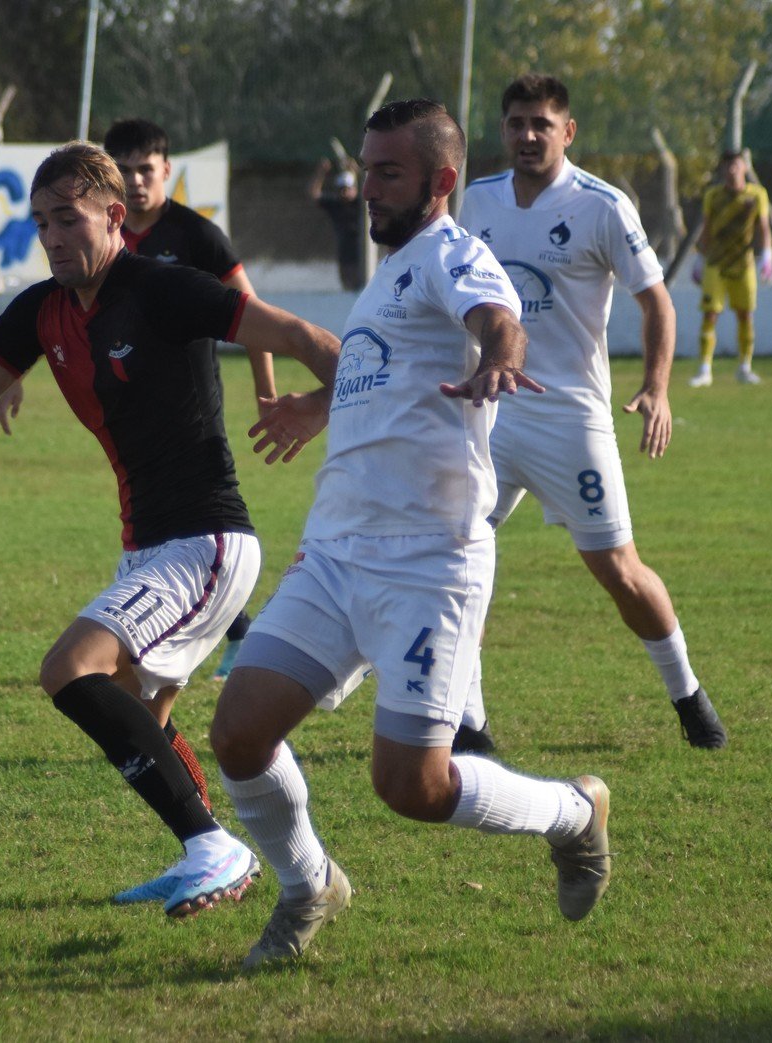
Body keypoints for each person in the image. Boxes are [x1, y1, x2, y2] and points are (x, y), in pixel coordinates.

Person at [0, 142, 342, 919]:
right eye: (40, 222)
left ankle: (211, 848)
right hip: (147, 549)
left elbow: (299, 334)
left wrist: (319, 406)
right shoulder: (41, 308)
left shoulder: (159, 288)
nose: (52, 237)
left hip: (206, 543)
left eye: (68, 218)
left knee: (69, 667)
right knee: (143, 727)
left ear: (114, 216)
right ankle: (246, 856)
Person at [209, 99, 610, 970]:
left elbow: (494, 317)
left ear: (439, 182)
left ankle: (573, 812)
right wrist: (318, 406)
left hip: (427, 564)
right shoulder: (386, 276)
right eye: (362, 168)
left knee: (411, 787)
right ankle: (306, 884)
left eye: (384, 172)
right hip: (335, 554)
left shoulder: (451, 254)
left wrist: (501, 354)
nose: (363, 187)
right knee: (239, 731)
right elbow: (382, 370)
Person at [456, 74, 727, 754]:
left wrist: (657, 388)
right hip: (491, 412)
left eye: (540, 124)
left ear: (566, 131)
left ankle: (687, 695)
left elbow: (655, 302)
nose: (526, 135)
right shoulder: (476, 201)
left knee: (617, 569)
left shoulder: (602, 206)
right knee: (453, 556)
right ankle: (470, 725)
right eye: (515, 122)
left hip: (568, 417)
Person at [0, 119, 270, 684]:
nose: (139, 180)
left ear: (165, 171)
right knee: (168, 718)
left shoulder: (193, 239)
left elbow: (255, 315)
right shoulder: (82, 271)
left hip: (192, 417)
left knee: (88, 671)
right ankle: (233, 638)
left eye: (148, 169)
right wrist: (11, 370)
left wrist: (268, 394)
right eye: (43, 223)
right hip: (143, 517)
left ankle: (242, 632)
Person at [688, 150, 772, 386]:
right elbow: (705, 230)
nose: (731, 170)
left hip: (743, 265)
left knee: (745, 314)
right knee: (710, 314)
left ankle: (745, 367)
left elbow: (763, 227)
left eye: (735, 165)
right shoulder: (713, 196)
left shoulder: (757, 195)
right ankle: (705, 369)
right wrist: (699, 259)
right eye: (727, 166)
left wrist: (767, 254)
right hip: (715, 264)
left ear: (744, 167)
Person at [307, 157, 365, 291]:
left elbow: (374, 187)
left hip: (362, 253)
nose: (344, 192)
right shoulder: (335, 204)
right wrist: (321, 172)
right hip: (345, 254)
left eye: (347, 188)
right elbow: (314, 194)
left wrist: (357, 171)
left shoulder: (363, 203)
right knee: (348, 286)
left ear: (354, 189)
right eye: (341, 189)